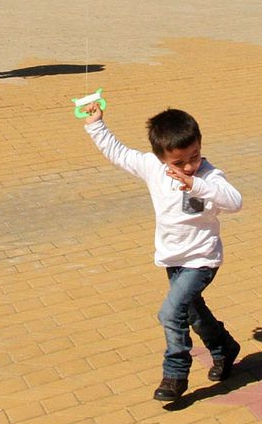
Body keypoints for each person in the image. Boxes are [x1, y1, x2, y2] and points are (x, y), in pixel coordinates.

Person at [79, 101, 243, 403]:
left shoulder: (209, 177)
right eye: (179, 163)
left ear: (200, 144)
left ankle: (175, 373)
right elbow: (118, 153)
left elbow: (235, 201)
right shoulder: (151, 167)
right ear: (161, 158)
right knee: (192, 312)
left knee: (170, 313)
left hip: (201, 260)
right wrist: (95, 125)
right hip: (173, 258)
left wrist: (197, 184)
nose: (189, 166)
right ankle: (223, 347)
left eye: (194, 156)